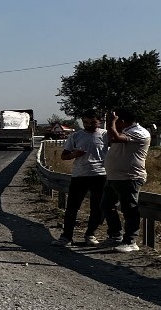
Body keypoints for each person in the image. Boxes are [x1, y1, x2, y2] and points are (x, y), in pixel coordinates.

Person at [101, 107, 151, 252]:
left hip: (130, 177)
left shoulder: (139, 132)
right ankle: (115, 235)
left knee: (129, 209)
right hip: (114, 177)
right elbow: (112, 138)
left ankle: (131, 241)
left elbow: (114, 138)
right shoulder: (126, 130)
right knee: (106, 205)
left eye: (116, 121)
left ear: (121, 121)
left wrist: (110, 123)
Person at [57, 110, 110, 246]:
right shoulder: (76, 136)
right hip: (79, 175)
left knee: (97, 207)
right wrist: (75, 154)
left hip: (99, 175)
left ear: (99, 121)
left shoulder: (106, 135)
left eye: (92, 122)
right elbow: (64, 156)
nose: (89, 125)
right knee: (72, 207)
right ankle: (66, 236)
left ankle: (90, 234)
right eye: (86, 122)